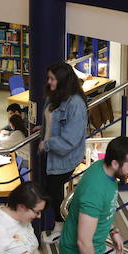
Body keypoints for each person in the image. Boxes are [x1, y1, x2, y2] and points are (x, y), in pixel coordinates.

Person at [39, 62, 88, 244]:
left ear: (62, 81)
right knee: (51, 190)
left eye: (52, 79)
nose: (49, 82)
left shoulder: (75, 104)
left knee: (54, 191)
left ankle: (61, 227)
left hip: (63, 157)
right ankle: (62, 225)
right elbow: (52, 119)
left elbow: (70, 139)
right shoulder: (57, 96)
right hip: (52, 151)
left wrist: (47, 143)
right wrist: (44, 128)